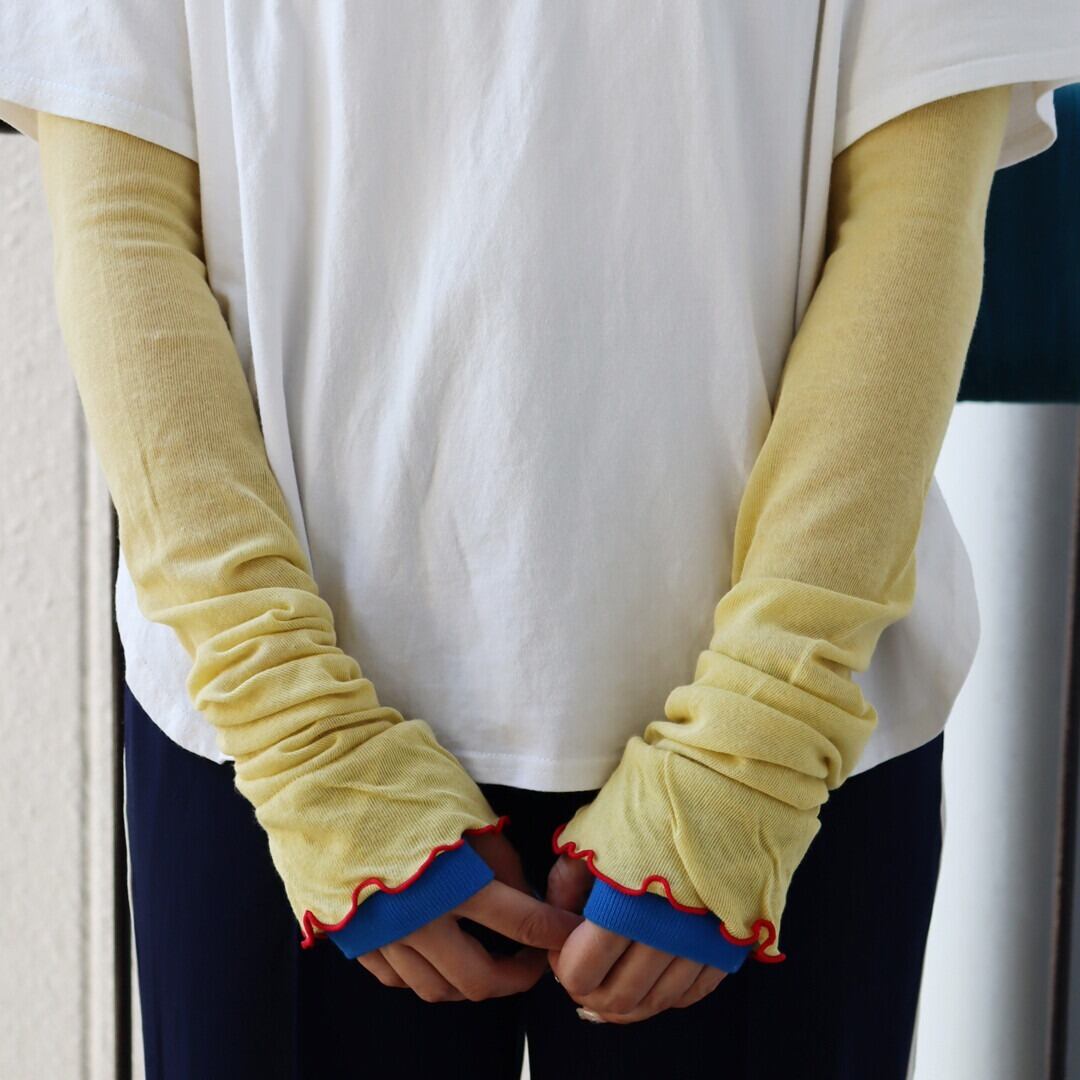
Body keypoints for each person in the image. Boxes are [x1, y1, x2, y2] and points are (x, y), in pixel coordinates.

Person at [2, 4, 1079, 1077]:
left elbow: (915, 209)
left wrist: (751, 751)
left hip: (782, 743)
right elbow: (119, 208)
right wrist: (303, 741)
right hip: (273, 741)